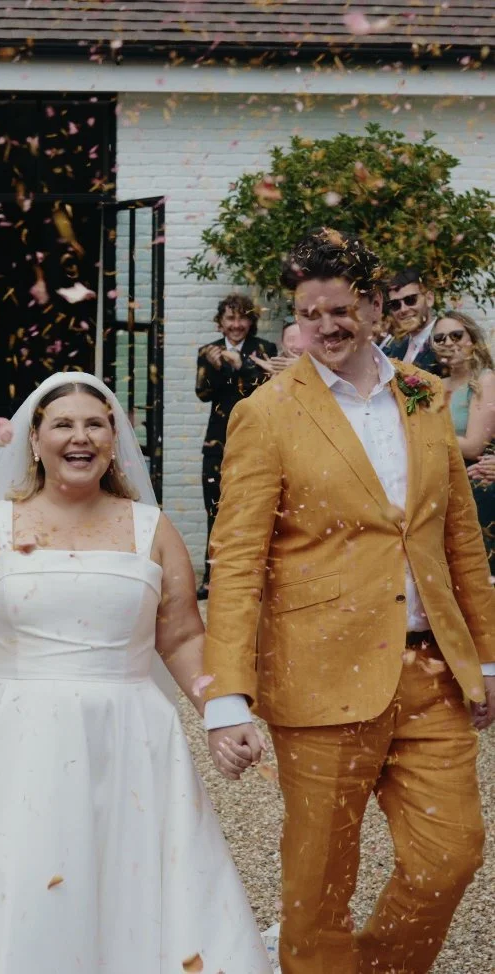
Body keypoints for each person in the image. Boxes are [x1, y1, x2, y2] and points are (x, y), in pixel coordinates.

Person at [202, 229, 495, 974]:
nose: (326, 327)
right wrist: (227, 694)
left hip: (431, 674)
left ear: (373, 307)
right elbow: (237, 561)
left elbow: (459, 537)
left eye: (340, 310)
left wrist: (487, 659)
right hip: (319, 674)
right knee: (319, 882)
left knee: (451, 855)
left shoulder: (424, 393)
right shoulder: (266, 413)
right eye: (310, 313)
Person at [0, 372, 271, 974]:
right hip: (13, 735)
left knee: (130, 878)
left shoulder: (151, 528)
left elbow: (181, 636)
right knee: (20, 872)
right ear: (35, 440)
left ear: (113, 439)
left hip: (129, 735)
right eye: (63, 425)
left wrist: (224, 714)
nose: (81, 437)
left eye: (95, 424)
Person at [195, 293, 276, 599]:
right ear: (220, 322)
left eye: (242, 318)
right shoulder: (208, 351)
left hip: (255, 441)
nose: (236, 324)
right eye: (230, 318)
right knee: (214, 509)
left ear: (251, 321)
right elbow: (202, 393)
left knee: (253, 510)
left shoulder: (265, 350)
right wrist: (216, 367)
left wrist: (241, 365)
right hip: (217, 442)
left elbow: (266, 390)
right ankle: (211, 578)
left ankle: (250, 578)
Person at [431, 310, 495, 574]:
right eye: (440, 338)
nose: (448, 342)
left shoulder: (484, 381)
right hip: (439, 491)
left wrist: (425, 435)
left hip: (474, 488)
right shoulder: (433, 385)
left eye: (456, 335)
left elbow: (473, 445)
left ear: (472, 339)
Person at [382, 267, 442, 374]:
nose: (403, 309)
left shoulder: (447, 342)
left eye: (410, 300)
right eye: (395, 304)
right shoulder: (395, 349)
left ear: (429, 299)